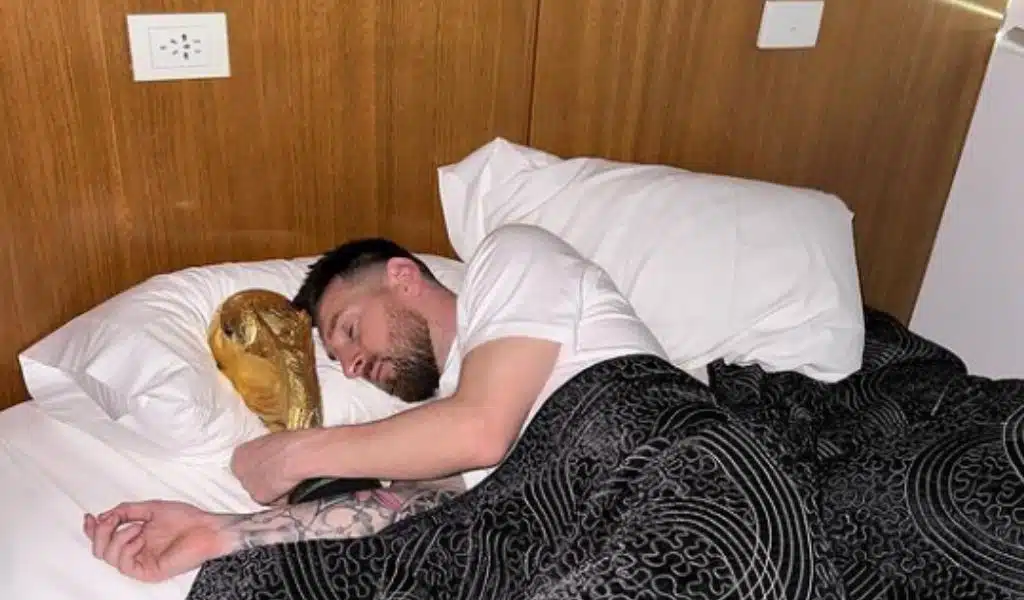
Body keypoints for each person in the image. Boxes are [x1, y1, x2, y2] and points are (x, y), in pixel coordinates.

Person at [83, 224, 669, 582]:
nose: (353, 366)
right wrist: (222, 532)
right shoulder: (444, 424)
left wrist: (293, 454)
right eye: (339, 361)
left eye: (351, 329)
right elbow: (401, 510)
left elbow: (480, 430)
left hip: (673, 471)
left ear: (403, 276)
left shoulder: (511, 257)